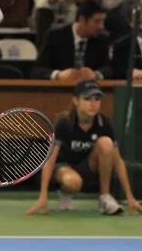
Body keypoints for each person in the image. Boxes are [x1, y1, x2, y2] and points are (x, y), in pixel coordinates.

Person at [26, 79, 142, 216]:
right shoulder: (64, 123)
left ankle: (104, 198)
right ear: (76, 100)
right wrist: (43, 197)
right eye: (87, 99)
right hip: (64, 169)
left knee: (106, 142)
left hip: (89, 168)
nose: (93, 103)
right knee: (72, 182)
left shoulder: (104, 124)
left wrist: (130, 197)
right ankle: (65, 192)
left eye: (97, 99)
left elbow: (118, 161)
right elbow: (50, 160)